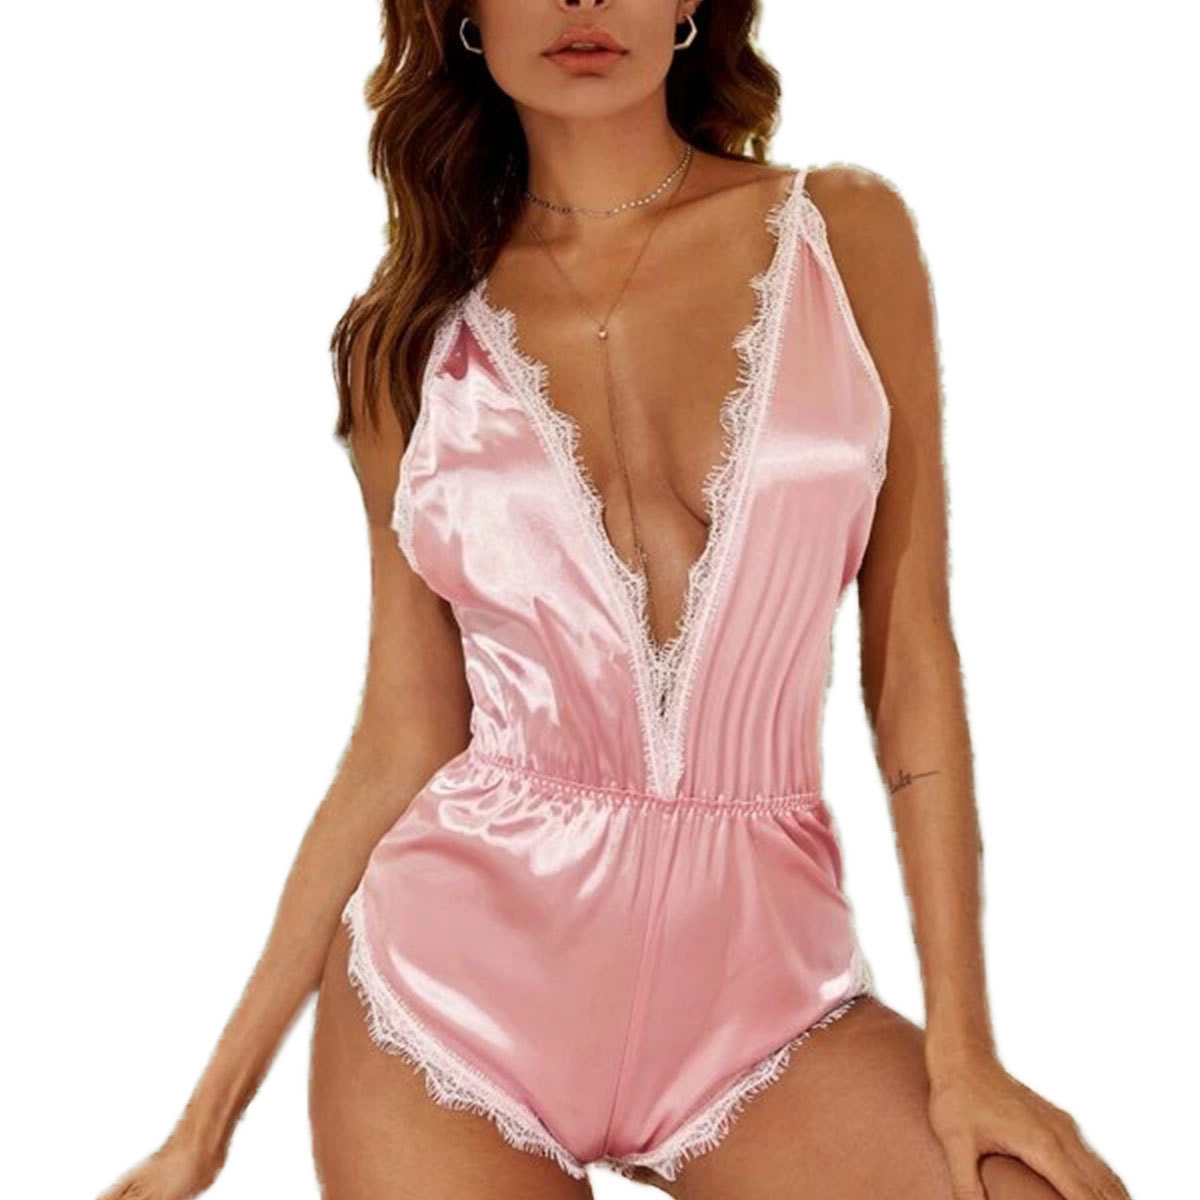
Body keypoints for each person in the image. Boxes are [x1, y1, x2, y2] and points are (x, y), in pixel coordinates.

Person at [97, 3, 1132, 1199]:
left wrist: (964, 1051)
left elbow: (911, 660)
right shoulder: (412, 344)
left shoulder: (842, 237)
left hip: (764, 1012)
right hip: (452, 1011)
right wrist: (205, 1125)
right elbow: (402, 736)